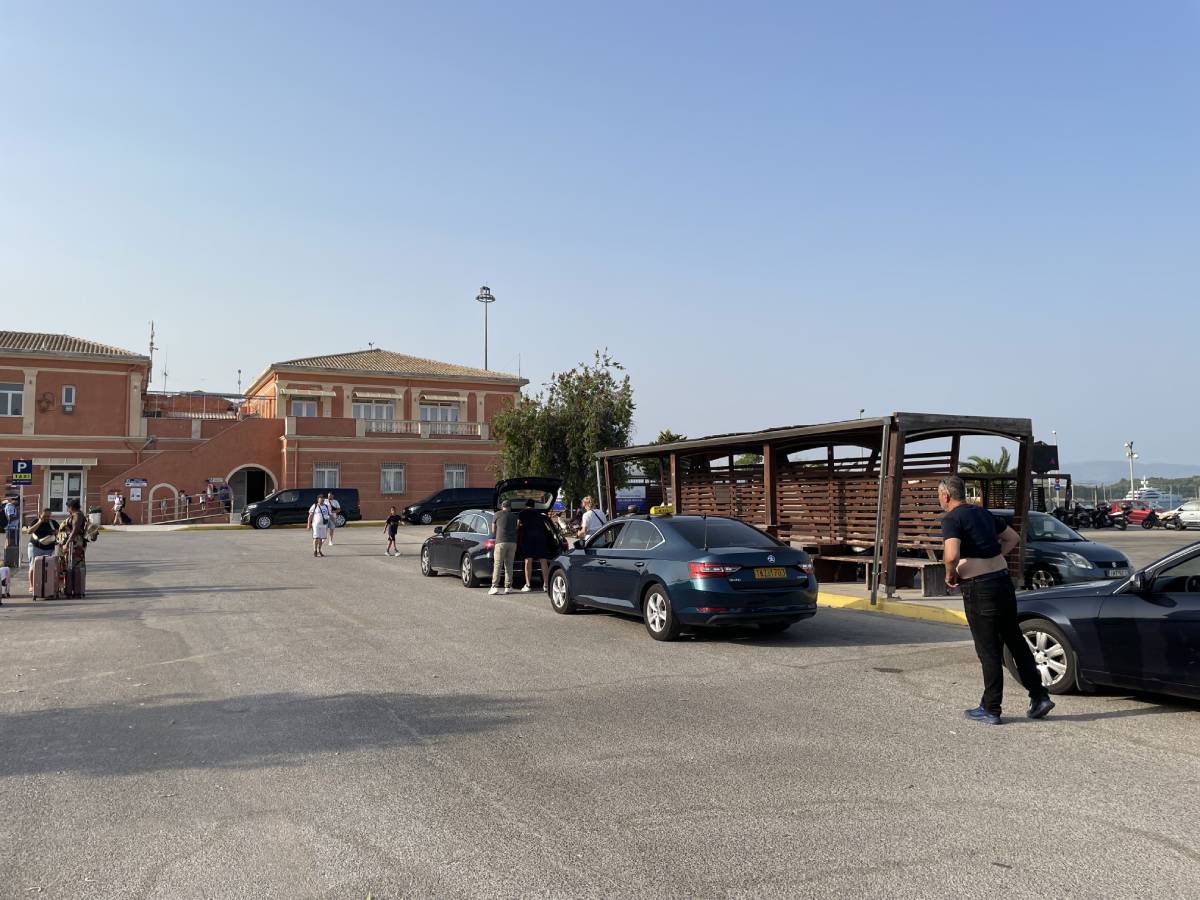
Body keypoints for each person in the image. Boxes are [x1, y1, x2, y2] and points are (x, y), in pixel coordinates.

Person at [939, 476, 1053, 725]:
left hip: (979, 588)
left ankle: (991, 708)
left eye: (940, 497)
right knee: (1014, 640)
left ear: (946, 496)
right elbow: (1012, 538)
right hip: (1002, 581)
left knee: (988, 649)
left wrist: (951, 574)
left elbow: (952, 554)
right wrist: (993, 557)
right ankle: (1039, 696)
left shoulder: (951, 518)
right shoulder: (984, 514)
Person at [517, 499, 551, 592]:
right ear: (534, 506)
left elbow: (517, 527)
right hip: (541, 538)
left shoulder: (522, 513)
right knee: (543, 561)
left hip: (528, 539)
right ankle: (546, 585)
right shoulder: (540, 514)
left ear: (525, 506)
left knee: (528, 561)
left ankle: (528, 585)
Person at [23, 508, 58, 596]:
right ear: (40, 515)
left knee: (49, 568)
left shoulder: (53, 523)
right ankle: (32, 586)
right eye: (44, 516)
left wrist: (56, 532)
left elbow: (59, 532)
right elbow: (29, 531)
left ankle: (48, 586)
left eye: (48, 516)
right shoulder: (35, 521)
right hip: (35, 547)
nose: (46, 518)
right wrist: (39, 522)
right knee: (33, 566)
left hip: (49, 548)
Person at [58, 499, 90, 598]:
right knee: (70, 566)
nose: (67, 510)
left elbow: (75, 530)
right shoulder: (78, 514)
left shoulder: (77, 515)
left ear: (71, 507)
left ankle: (74, 590)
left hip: (74, 545)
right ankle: (71, 588)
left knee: (73, 566)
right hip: (73, 544)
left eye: (68, 507)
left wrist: (67, 543)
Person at [489, 499, 518, 595]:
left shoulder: (497, 514)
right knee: (509, 565)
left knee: (498, 564)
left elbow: (493, 530)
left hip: (500, 542)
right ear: (510, 507)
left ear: (502, 506)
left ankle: (494, 587)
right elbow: (517, 528)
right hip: (512, 543)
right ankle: (508, 587)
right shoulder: (514, 516)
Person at [307, 493, 330, 557]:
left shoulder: (326, 506)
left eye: (323, 498)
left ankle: (319, 550)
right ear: (318, 499)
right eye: (321, 498)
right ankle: (315, 551)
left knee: (321, 539)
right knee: (316, 538)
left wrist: (332, 521)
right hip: (316, 525)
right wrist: (309, 524)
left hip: (324, 525)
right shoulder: (314, 506)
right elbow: (310, 516)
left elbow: (328, 515)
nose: (322, 499)